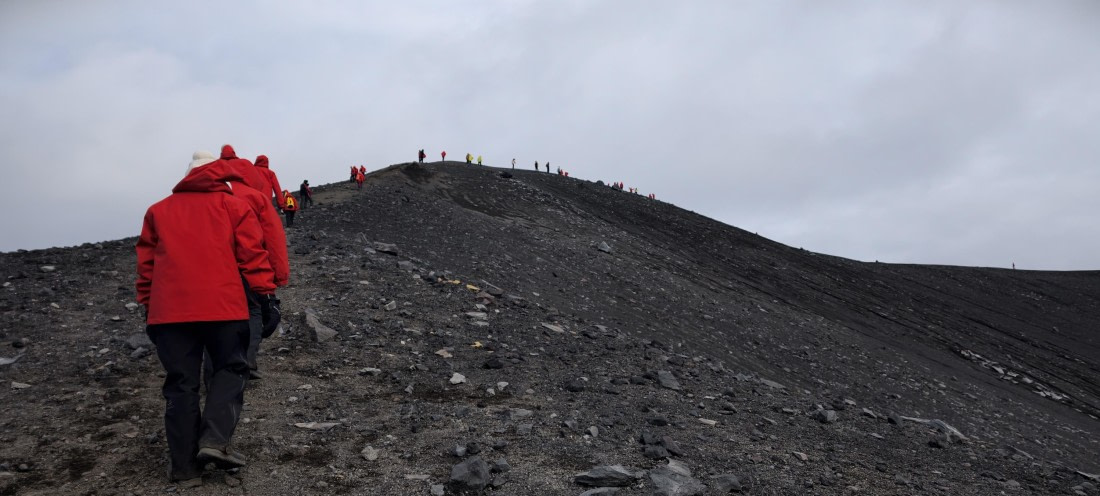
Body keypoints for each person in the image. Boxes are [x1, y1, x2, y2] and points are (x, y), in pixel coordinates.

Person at [137, 151, 276, 485]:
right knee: (231, 367)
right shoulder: (234, 207)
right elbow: (252, 256)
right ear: (219, 176)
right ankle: (214, 440)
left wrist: (148, 305)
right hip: (223, 308)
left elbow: (147, 268)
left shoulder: (158, 211)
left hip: (169, 315)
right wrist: (266, 295)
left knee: (180, 385)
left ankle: (184, 469)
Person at [217, 149, 290, 380]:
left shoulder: (214, 194)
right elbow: (273, 237)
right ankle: (248, 358)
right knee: (254, 309)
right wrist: (278, 276)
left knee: (218, 312)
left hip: (218, 262)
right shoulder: (256, 192)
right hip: (251, 258)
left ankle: (217, 366)